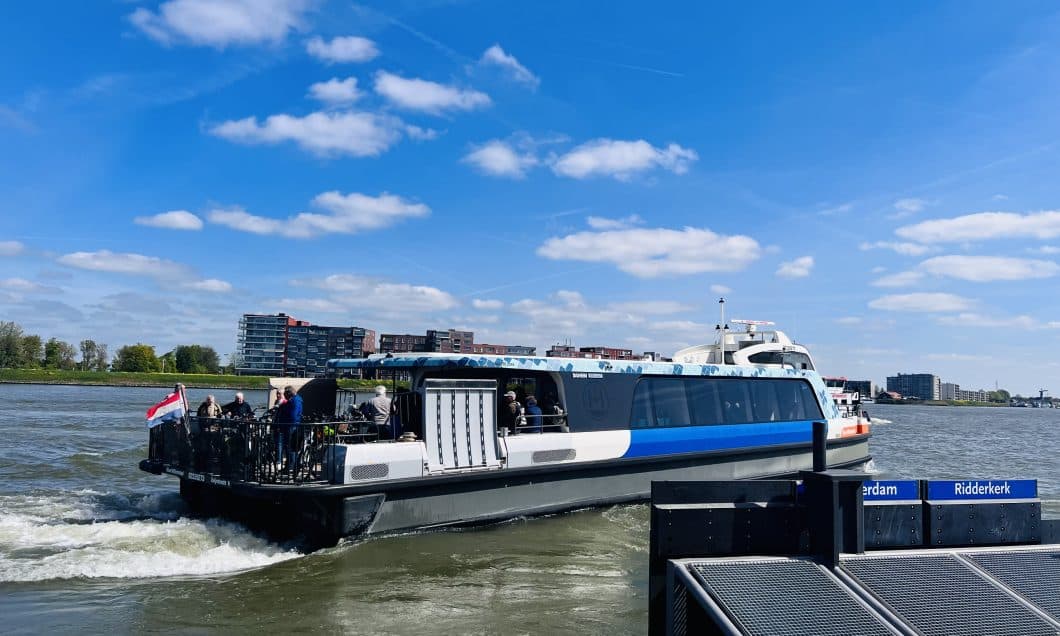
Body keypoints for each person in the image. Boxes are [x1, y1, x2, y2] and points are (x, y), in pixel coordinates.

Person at [274, 386, 303, 471]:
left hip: (291, 426)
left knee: (291, 448)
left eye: (285, 394)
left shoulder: (295, 401)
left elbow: (293, 416)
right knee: (289, 447)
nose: (284, 396)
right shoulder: (293, 400)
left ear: (289, 393)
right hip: (289, 426)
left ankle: (291, 467)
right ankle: (289, 466)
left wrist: (284, 418)